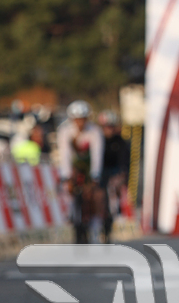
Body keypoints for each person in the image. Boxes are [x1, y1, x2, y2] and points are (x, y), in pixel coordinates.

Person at [56, 101, 106, 242]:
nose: (80, 123)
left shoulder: (95, 131)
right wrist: (66, 176)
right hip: (74, 167)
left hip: (89, 167)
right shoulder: (64, 131)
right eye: (77, 119)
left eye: (83, 119)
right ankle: (71, 218)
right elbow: (64, 155)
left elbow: (97, 155)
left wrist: (95, 175)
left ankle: (96, 229)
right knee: (68, 192)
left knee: (96, 196)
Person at [98, 109, 130, 230]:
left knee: (114, 189)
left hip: (114, 172)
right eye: (106, 127)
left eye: (111, 126)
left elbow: (124, 161)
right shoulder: (98, 140)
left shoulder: (120, 141)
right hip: (100, 172)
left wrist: (121, 174)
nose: (108, 130)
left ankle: (115, 214)